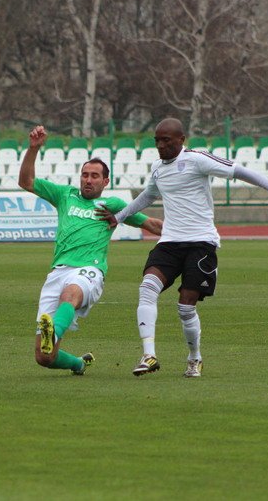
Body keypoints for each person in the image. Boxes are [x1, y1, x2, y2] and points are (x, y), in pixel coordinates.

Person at [99, 118, 268, 378]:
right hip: (169, 242)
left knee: (186, 307)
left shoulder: (197, 159)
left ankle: (194, 357)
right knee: (147, 287)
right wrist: (119, 217)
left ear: (181, 139)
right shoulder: (158, 167)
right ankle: (148, 354)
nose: (160, 145)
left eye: (166, 140)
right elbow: (149, 195)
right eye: (157, 140)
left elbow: (237, 170)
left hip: (200, 243)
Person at [19, 125, 163, 375]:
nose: (88, 179)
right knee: (44, 357)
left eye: (95, 176)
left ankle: (53, 330)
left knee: (70, 295)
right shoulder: (65, 195)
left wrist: (190, 232)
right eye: (85, 174)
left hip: (89, 269)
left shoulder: (113, 205)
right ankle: (78, 363)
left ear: (105, 181)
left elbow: (151, 224)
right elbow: (26, 182)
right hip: (57, 272)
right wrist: (33, 149)